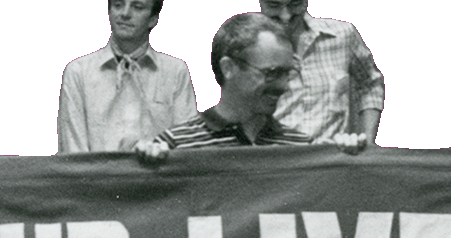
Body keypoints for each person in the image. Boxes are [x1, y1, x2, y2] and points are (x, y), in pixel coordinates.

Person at [137, 13, 365, 159]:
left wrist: (348, 159)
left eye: (288, 73)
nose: (284, 86)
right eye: (272, 73)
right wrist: (143, 172)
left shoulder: (301, 148)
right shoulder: (174, 146)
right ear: (229, 68)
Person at [250, 0, 384, 143]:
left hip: (334, 162)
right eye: (274, 6)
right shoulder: (247, 46)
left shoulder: (342, 35)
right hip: (274, 165)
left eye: (295, 3)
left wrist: (368, 141)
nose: (286, 16)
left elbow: (370, 85)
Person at [58, 0, 195, 153]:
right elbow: (73, 152)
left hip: (158, 180)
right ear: (109, 10)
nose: (125, 13)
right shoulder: (78, 72)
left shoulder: (175, 71)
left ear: (153, 19)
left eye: (137, 7)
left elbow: (186, 146)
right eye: (118, 4)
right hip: (97, 180)